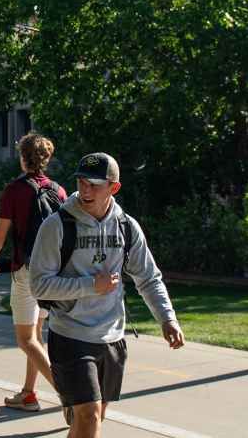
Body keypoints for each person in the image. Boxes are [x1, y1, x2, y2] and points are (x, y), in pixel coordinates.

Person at [30, 153, 185, 437]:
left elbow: (148, 277)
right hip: (71, 336)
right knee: (89, 418)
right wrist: (91, 285)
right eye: (81, 182)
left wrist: (167, 317)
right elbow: (39, 285)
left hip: (113, 337)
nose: (85, 190)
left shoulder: (126, 226)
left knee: (90, 420)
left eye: (94, 184)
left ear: (113, 187)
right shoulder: (57, 225)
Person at [0, 132, 66, 412]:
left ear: (22, 157)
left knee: (25, 339)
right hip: (53, 272)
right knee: (37, 333)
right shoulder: (60, 190)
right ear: (46, 159)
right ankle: (29, 394)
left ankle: (69, 395)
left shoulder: (14, 190)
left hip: (26, 271)